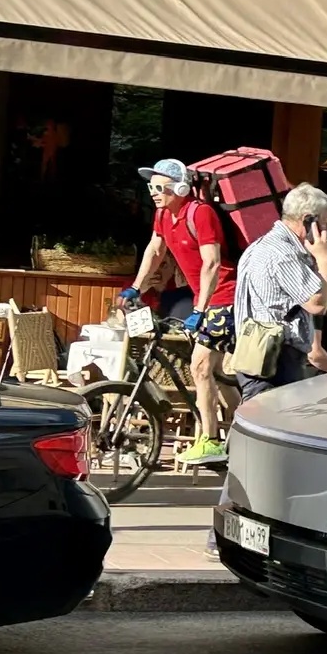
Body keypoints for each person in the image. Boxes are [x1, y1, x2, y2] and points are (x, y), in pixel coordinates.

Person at [119, 158, 238, 465]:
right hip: (206, 299)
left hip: (225, 296)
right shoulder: (163, 215)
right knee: (216, 373)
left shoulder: (200, 213)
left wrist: (200, 309)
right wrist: (136, 287)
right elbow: (155, 250)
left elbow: (212, 263)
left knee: (200, 367)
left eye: (160, 188)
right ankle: (244, 432)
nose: (153, 193)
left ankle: (211, 441)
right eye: (151, 187)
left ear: (181, 188)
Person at [232, 183, 327, 401]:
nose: (325, 234)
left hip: (257, 353)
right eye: (324, 225)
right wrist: (325, 260)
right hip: (275, 359)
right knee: (270, 418)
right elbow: (317, 304)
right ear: (308, 220)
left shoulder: (260, 245)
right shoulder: (284, 254)